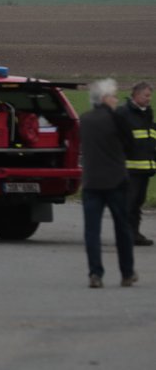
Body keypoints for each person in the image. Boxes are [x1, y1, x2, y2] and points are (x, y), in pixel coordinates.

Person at [80, 78, 136, 289]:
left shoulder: (84, 119)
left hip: (91, 182)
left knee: (92, 231)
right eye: (113, 96)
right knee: (122, 228)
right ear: (104, 99)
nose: (116, 100)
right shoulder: (117, 119)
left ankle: (95, 273)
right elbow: (130, 145)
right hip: (115, 181)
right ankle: (127, 272)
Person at [116, 81, 156, 246]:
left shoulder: (147, 113)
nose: (149, 99)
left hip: (144, 168)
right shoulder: (123, 113)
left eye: (150, 96)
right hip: (128, 169)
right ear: (136, 95)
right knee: (128, 203)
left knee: (138, 202)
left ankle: (135, 234)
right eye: (146, 95)